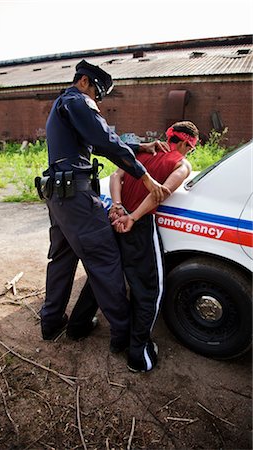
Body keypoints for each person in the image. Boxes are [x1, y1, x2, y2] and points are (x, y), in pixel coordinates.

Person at [39, 59, 170, 352]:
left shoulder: (63, 104)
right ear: (84, 81)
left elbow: (97, 142)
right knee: (106, 259)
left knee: (62, 259)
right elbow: (104, 138)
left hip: (59, 196)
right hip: (76, 198)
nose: (97, 100)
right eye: (97, 93)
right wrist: (145, 177)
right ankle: (122, 336)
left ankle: (50, 322)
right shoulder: (77, 100)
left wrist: (140, 147)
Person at [109, 121, 199, 372]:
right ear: (185, 143)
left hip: (115, 218)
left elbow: (117, 175)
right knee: (149, 290)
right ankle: (138, 356)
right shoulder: (181, 164)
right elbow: (160, 193)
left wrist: (117, 207)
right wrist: (133, 217)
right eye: (190, 149)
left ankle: (92, 331)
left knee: (107, 276)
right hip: (136, 226)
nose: (189, 153)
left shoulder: (143, 150)